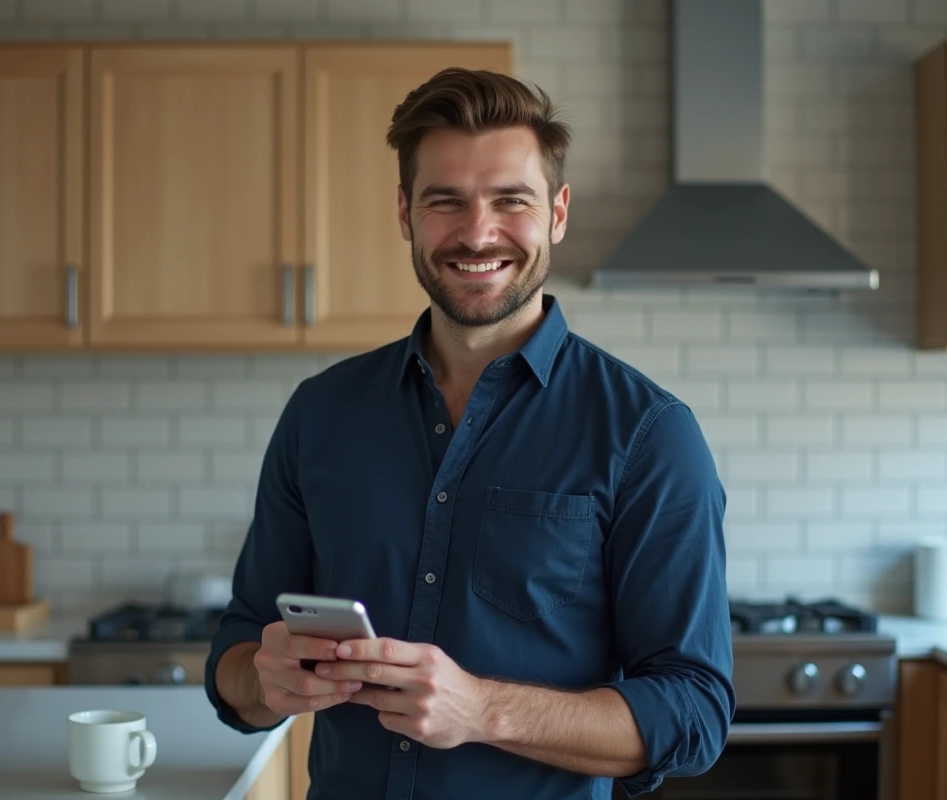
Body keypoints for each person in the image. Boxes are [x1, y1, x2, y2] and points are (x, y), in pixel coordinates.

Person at [206, 67, 735, 799]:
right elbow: (237, 652)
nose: (477, 232)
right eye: (445, 201)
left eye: (510, 201)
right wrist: (261, 682)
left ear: (557, 213)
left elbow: (695, 713)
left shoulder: (649, 435)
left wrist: (482, 710)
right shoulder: (320, 413)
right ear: (405, 214)